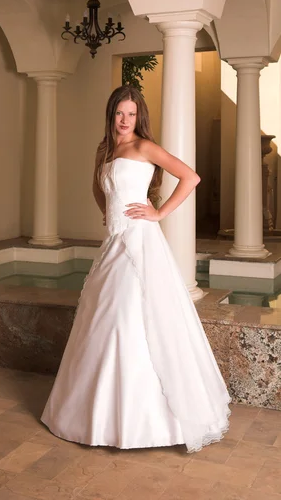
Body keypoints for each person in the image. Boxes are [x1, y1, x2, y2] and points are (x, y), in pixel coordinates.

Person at [41, 85, 231, 453]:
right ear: (110, 115)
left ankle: (145, 420)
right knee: (103, 320)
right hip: (114, 245)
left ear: (138, 116)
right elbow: (101, 191)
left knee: (128, 318)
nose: (125, 120)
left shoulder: (144, 146)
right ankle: (100, 416)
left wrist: (158, 213)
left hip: (140, 244)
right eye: (119, 114)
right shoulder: (106, 151)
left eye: (131, 114)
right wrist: (107, 213)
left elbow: (190, 177)